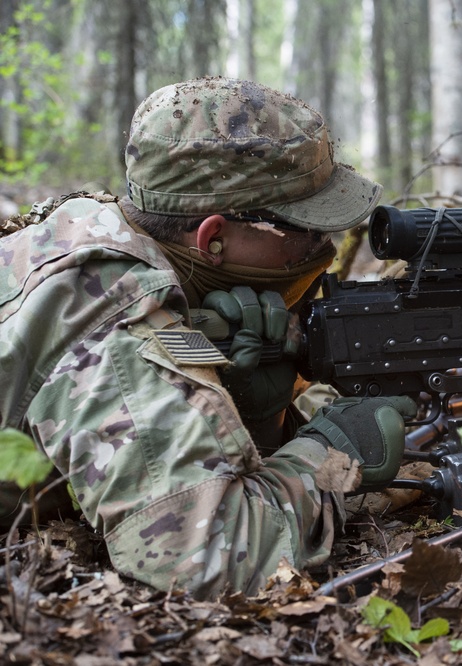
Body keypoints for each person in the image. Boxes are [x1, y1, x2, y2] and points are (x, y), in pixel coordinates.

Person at [0, 77, 416, 598]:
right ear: (212, 237)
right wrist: (333, 454)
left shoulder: (98, 231)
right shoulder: (122, 314)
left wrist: (254, 417)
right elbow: (206, 555)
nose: (324, 247)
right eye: (304, 229)